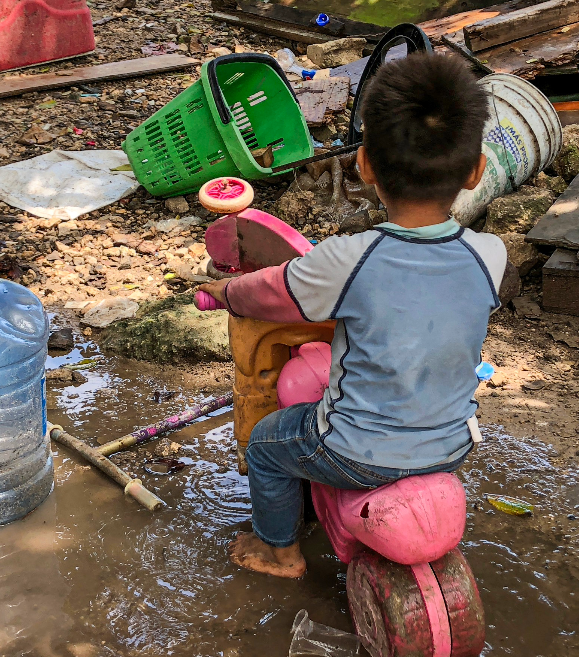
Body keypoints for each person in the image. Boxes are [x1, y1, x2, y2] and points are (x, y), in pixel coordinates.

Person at [198, 53, 507, 578]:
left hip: (354, 452)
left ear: (363, 165)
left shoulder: (349, 259)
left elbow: (270, 291)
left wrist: (223, 291)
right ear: (477, 171)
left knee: (271, 443)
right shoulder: (490, 254)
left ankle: (278, 549)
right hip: (452, 447)